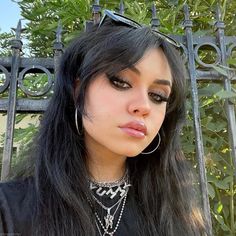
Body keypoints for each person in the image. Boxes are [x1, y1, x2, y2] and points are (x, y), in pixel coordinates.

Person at [0, 10, 206, 236]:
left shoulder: (176, 213)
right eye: (121, 82)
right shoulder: (10, 210)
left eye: (157, 96)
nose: (144, 106)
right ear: (79, 90)